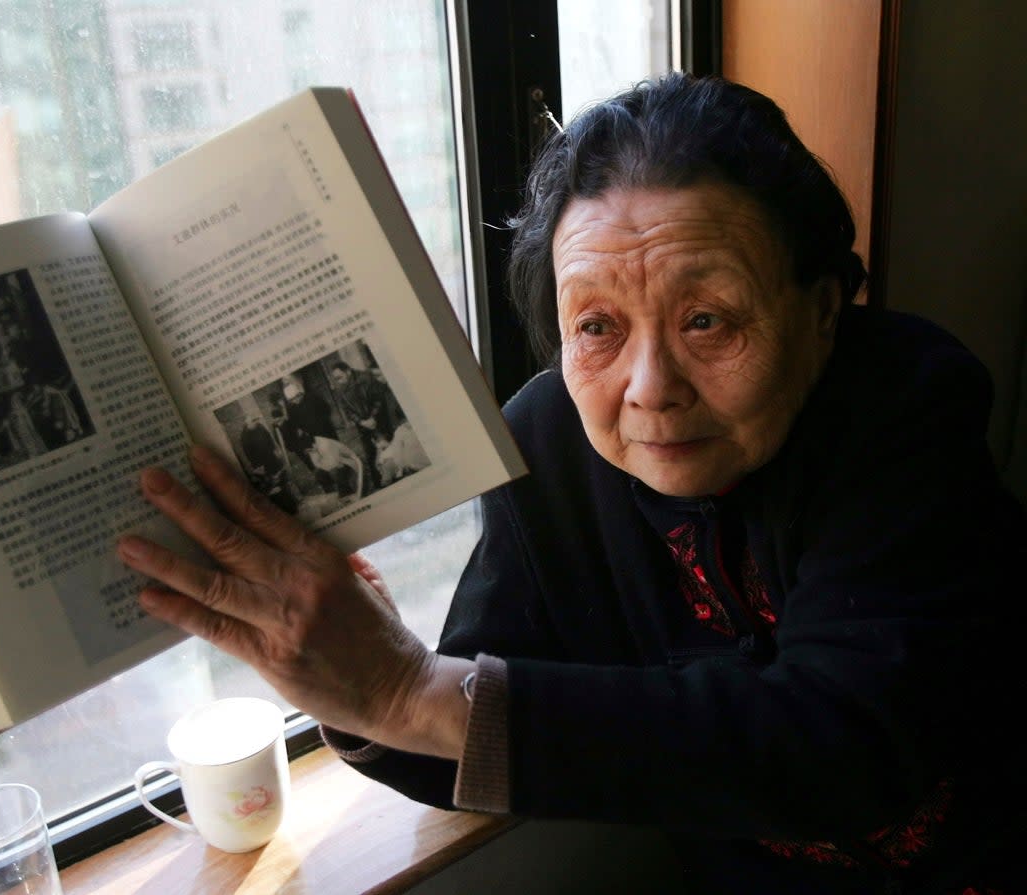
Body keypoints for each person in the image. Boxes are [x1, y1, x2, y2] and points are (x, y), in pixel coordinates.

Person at [116, 73, 1026, 894]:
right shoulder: (546, 444)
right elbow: (465, 732)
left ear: (822, 310)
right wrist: (348, 681)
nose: (650, 387)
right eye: (597, 326)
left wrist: (409, 690)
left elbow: (843, 742)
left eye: (707, 318)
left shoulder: (904, 407)